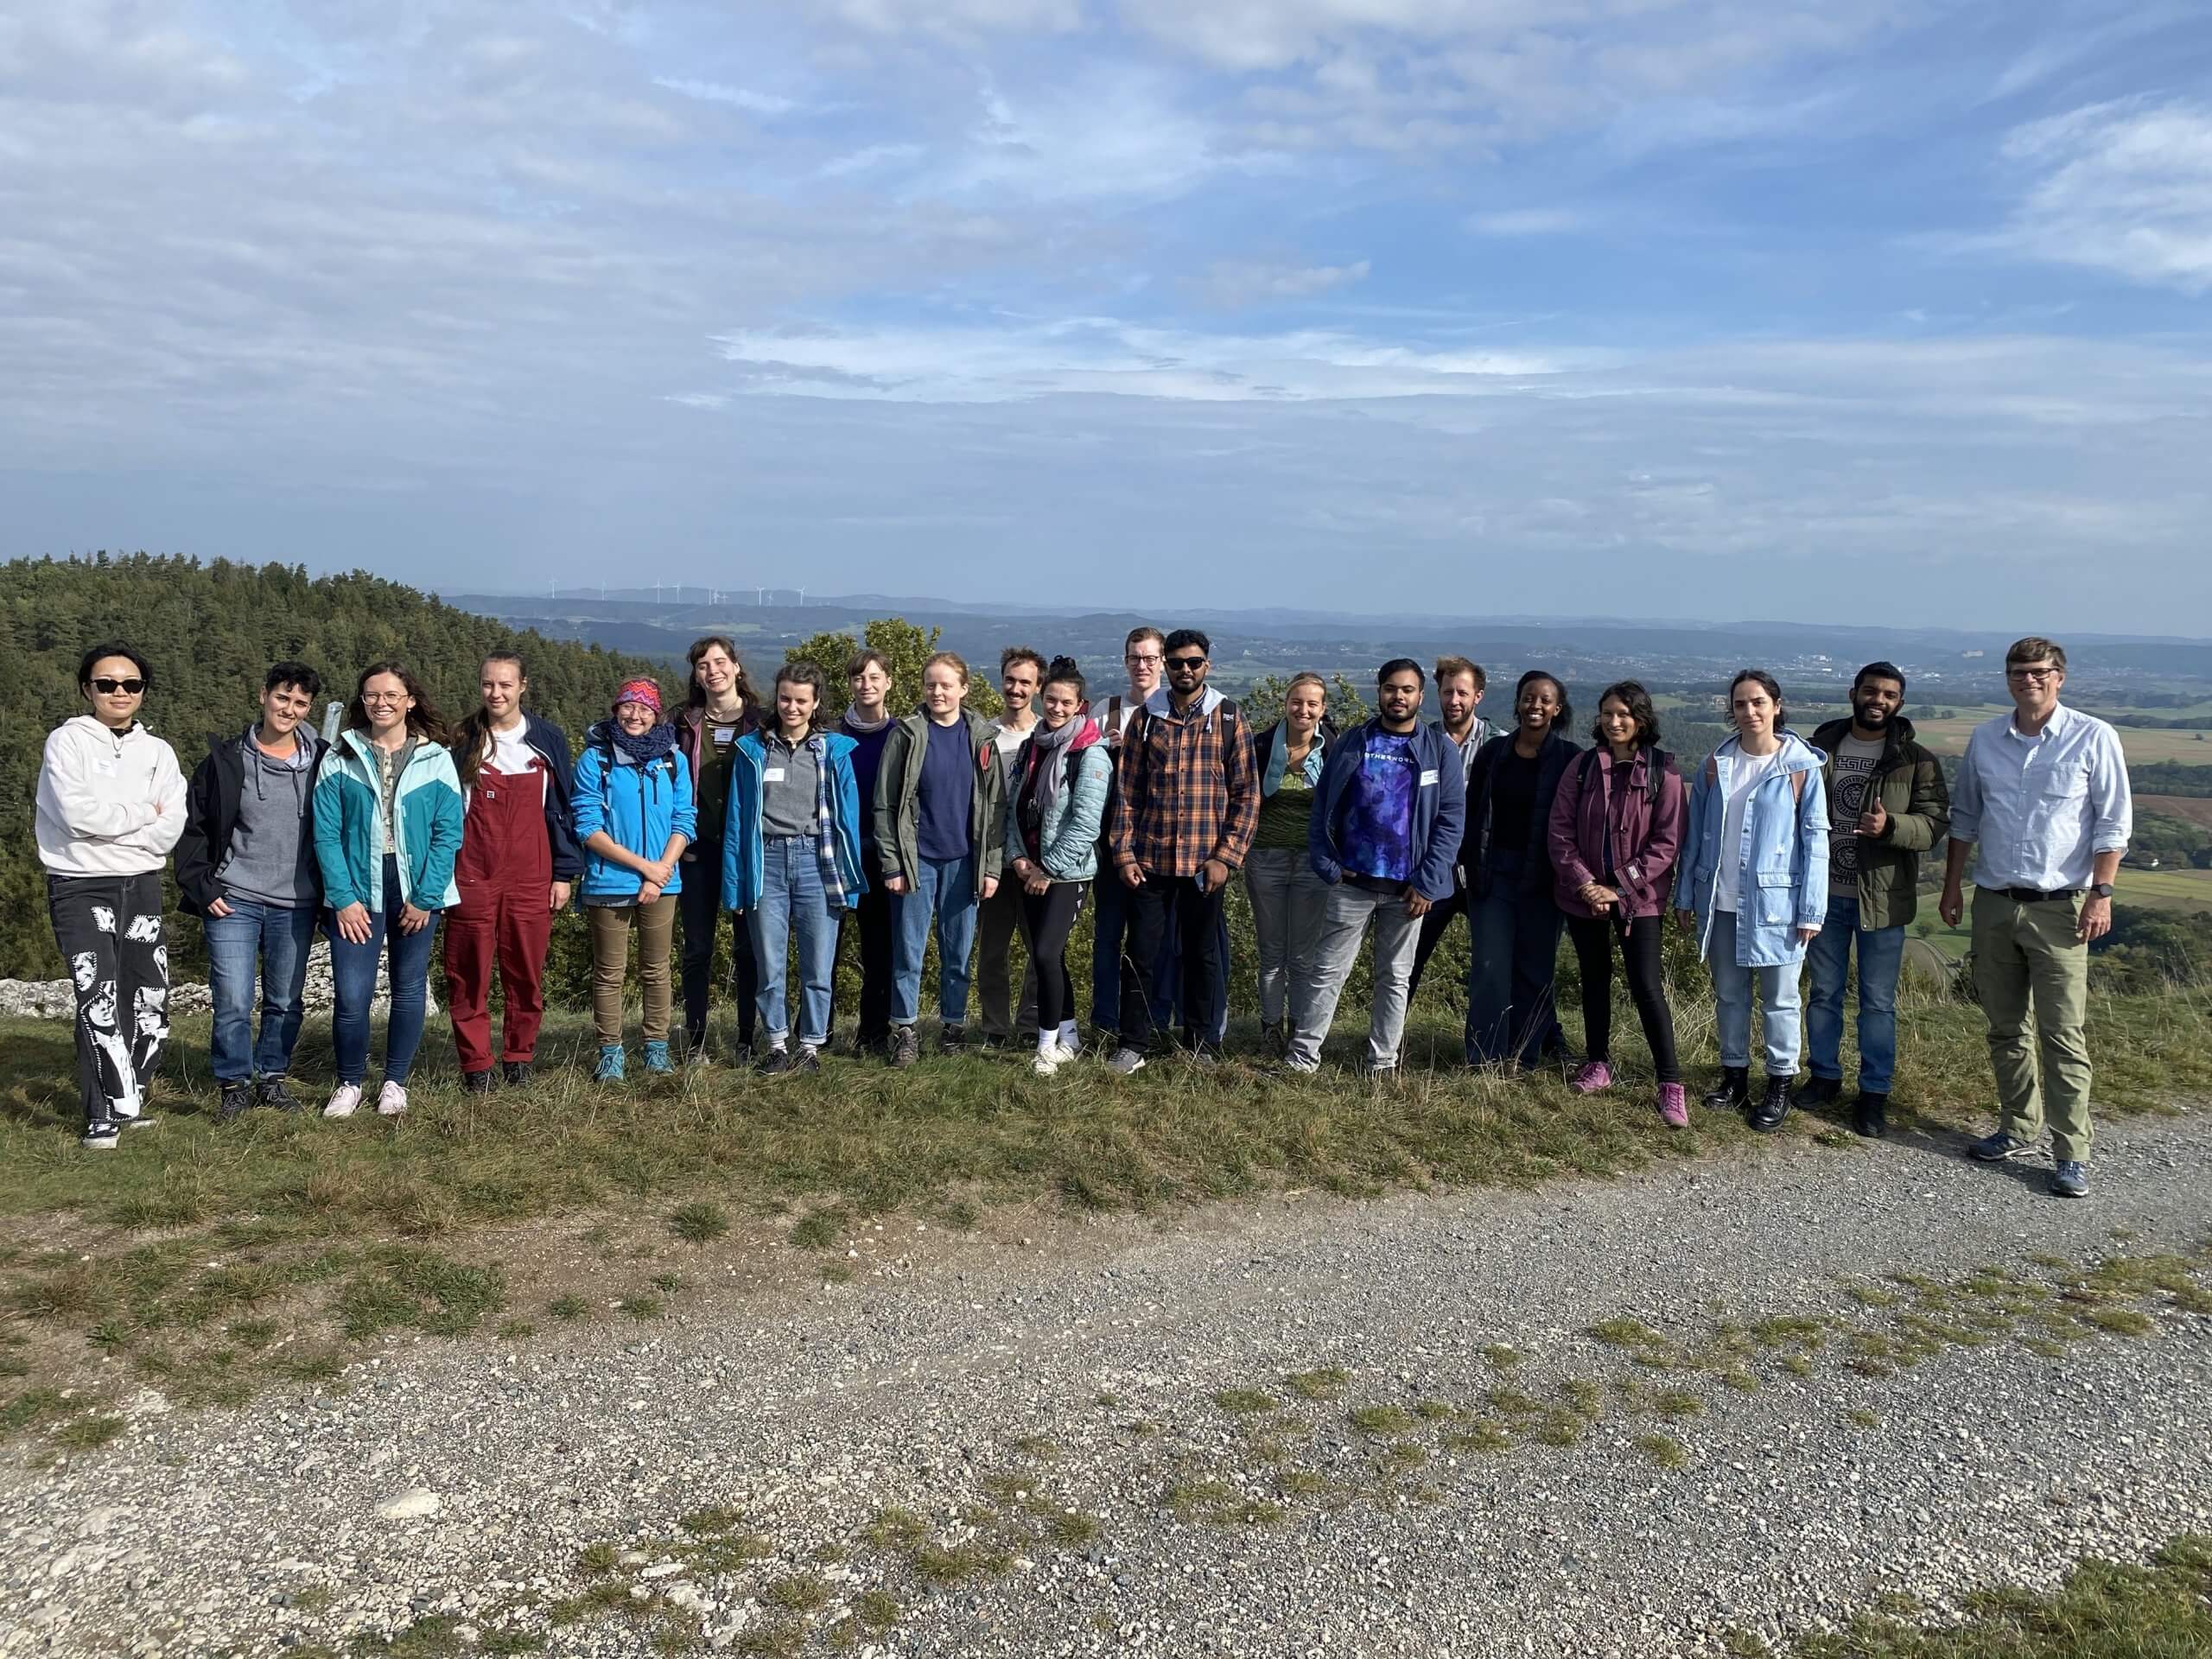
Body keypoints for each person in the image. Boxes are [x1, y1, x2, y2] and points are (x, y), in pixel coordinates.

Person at [1940, 638, 2132, 1199]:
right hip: (1995, 901)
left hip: (2062, 908)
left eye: (2039, 672)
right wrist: (1952, 885)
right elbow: (1966, 817)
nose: (2028, 680)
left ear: (2060, 678)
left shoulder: (2093, 737)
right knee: (2004, 1027)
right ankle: (2018, 1126)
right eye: (2019, 672)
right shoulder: (1985, 739)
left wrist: (2102, 892)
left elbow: (2112, 823)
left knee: (2063, 1033)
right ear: (2008, 680)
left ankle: (2072, 1152)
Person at [36, 644, 187, 1149]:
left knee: (148, 996)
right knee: (97, 995)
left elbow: (172, 829)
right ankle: (102, 1112)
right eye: (107, 684)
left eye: (131, 684)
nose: (119, 693)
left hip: (141, 883)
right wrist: (144, 813)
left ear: (143, 690)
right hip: (80, 884)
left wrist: (122, 827)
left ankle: (130, 1099)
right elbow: (77, 816)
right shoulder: (67, 743)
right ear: (87, 689)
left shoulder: (158, 752)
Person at [1291, 660, 1465, 1077]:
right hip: (1351, 882)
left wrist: (1427, 882)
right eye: (1391, 688)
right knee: (1327, 971)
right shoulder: (1354, 741)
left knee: (1395, 978)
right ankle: (1302, 1058)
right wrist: (1327, 865)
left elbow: (1452, 819)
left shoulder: (1439, 750)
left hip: (1408, 891)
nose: (1398, 697)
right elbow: (1323, 808)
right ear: (1379, 692)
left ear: (1421, 697)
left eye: (1407, 690)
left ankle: (1382, 1063)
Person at [175, 661, 328, 1122]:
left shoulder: (323, 761)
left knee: (285, 1000)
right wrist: (202, 886)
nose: (290, 709)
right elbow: (193, 828)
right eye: (283, 697)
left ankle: (272, 1078)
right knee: (234, 999)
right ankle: (234, 1084)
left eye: (300, 702)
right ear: (263, 695)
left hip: (298, 902)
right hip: (234, 898)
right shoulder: (226, 760)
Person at [1673, 670, 1827, 1132]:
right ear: (1732, 710)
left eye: (1758, 702)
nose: (1750, 711)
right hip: (1720, 900)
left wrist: (1810, 910)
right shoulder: (1715, 765)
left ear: (1776, 706)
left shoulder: (1801, 767)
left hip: (1778, 905)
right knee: (1730, 997)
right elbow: (1695, 837)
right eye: (1741, 704)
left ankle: (1780, 1082)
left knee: (1781, 1000)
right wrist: (1685, 895)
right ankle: (1734, 1076)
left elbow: (1815, 841)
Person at [1802, 663, 1950, 1138]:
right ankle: (1824, 1077)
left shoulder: (1917, 759)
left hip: (1882, 900)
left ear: (1899, 703)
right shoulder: (1818, 748)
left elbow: (1935, 825)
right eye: (1871, 691)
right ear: (1853, 694)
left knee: (1878, 1001)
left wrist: (1891, 827)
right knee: (1823, 994)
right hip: (1822, 895)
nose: (1878, 700)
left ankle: (1874, 1094)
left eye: (1888, 695)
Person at [313, 662, 464, 1120]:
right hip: (358, 885)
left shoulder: (436, 758)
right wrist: (342, 897)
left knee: (409, 988)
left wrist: (427, 896)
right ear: (362, 702)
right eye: (371, 695)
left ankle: (395, 1081)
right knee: (352, 994)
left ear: (409, 700)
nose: (381, 702)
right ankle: (349, 1082)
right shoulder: (340, 757)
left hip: (416, 884)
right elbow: (326, 834)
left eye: (391, 695)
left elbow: (447, 832)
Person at [1108, 628, 1258, 1073]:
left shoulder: (1229, 717)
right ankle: (1133, 1041)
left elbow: (1247, 795)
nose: (1185, 670)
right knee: (1141, 954)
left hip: (1204, 863)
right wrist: (1124, 853)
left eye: (1194, 662)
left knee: (1202, 955)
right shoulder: (1147, 718)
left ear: (1207, 665)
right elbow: (1127, 790)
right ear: (1167, 667)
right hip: (1150, 860)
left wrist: (1226, 858)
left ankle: (1200, 1043)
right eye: (1177, 663)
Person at [1548, 682, 1688, 1126]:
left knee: (1646, 986)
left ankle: (1670, 1084)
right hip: (1582, 896)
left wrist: (1619, 886)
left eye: (1624, 713)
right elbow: (1560, 832)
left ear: (1642, 719)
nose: (1615, 721)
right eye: (1608, 713)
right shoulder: (1583, 767)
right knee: (1594, 979)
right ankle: (1598, 1063)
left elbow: (1667, 844)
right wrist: (1588, 884)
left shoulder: (1663, 773)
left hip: (1640, 901)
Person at [442, 652, 582, 1093]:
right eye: (488, 684)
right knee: (468, 972)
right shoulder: (464, 738)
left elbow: (562, 810)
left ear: (523, 686)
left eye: (505, 685)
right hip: (473, 870)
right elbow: (447, 811)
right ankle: (476, 1065)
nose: (496, 693)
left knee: (526, 971)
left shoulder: (546, 738)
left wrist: (563, 872)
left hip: (532, 871)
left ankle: (519, 1057)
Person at [723, 661, 867, 1075]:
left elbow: (849, 819)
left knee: (818, 963)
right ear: (777, 697)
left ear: (816, 702)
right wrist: (734, 885)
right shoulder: (753, 749)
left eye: (802, 700)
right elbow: (737, 818)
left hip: (816, 862)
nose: (792, 707)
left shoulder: (833, 750)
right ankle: (776, 1043)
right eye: (785, 698)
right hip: (765, 860)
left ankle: (810, 1046)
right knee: (769, 962)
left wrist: (850, 878)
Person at [874, 652, 1005, 1065]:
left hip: (964, 860)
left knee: (958, 951)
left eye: (947, 684)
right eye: (931, 684)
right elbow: (884, 803)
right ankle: (906, 1031)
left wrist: (990, 866)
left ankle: (952, 1027)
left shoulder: (982, 736)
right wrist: (892, 863)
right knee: (908, 951)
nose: (938, 691)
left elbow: (995, 808)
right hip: (918, 860)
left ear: (964, 689)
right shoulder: (907, 733)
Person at [574, 678, 695, 1083]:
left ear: (656, 714)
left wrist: (661, 872)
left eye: (644, 709)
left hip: (663, 882)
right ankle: (611, 1053)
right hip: (610, 882)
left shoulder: (673, 760)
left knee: (657, 970)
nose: (634, 715)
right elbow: (588, 827)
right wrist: (647, 869)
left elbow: (684, 819)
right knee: (610, 973)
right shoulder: (596, 759)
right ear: (615, 709)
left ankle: (656, 1049)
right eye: (627, 707)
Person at [1462, 671, 1580, 1070]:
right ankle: (1483, 1055)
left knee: (1534, 970)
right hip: (1492, 874)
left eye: (1545, 700)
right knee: (1490, 967)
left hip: (1545, 880)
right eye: (1529, 697)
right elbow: (1472, 813)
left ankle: (1525, 1056)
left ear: (1557, 709)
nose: (1535, 705)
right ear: (1517, 702)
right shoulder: (1493, 753)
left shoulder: (1570, 759)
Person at [1002, 658, 1112, 1075]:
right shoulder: (1034, 746)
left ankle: (1046, 1047)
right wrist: (1019, 860)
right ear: (1041, 697)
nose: (1057, 708)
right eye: (1051, 699)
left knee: (1046, 954)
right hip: (1030, 868)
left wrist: (1048, 869)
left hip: (1068, 873)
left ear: (1080, 705)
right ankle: (1069, 1035)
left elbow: (1086, 823)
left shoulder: (1091, 754)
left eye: (1066, 702)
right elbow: (1012, 809)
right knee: (1052, 957)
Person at [674, 636, 761, 1062]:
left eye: (721, 661)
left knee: (748, 950)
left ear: (737, 667)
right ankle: (696, 1042)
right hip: (698, 853)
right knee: (698, 950)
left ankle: (747, 1040)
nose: (714, 670)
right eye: (704, 664)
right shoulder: (683, 724)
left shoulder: (761, 723)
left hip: (746, 851)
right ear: (695, 674)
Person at [1245, 673, 1332, 1053]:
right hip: (1266, 859)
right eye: (1297, 701)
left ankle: (1298, 1029)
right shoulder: (1262, 745)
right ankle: (1270, 1030)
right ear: (1286, 703)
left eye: (1312, 703)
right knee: (1271, 953)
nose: (1304, 709)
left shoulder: (1333, 749)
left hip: (1313, 864)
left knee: (1302, 956)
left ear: (1322, 709)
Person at [1406, 656, 1497, 1012]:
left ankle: (1537, 1038)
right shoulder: (1419, 744)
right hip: (1433, 872)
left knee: (1498, 961)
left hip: (1481, 872)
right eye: (1447, 692)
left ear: (1479, 697)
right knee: (1408, 961)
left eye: (1462, 692)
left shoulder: (1498, 746)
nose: (1454, 700)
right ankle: (1387, 1041)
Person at [976, 646, 1044, 1049]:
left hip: (1036, 861)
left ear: (1037, 687)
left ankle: (1032, 1026)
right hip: (992, 859)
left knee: (1040, 951)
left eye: (1025, 682)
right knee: (992, 950)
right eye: (1011, 680)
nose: (1016, 689)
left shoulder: (1045, 736)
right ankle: (995, 1028)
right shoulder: (983, 734)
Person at [836, 649, 898, 1053]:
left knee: (880, 953)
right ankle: (815, 1035)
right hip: (836, 854)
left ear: (888, 682)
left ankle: (873, 1034)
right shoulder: (832, 735)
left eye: (875, 677)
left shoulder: (904, 734)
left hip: (883, 857)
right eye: (859, 678)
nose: (867, 685)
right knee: (826, 949)